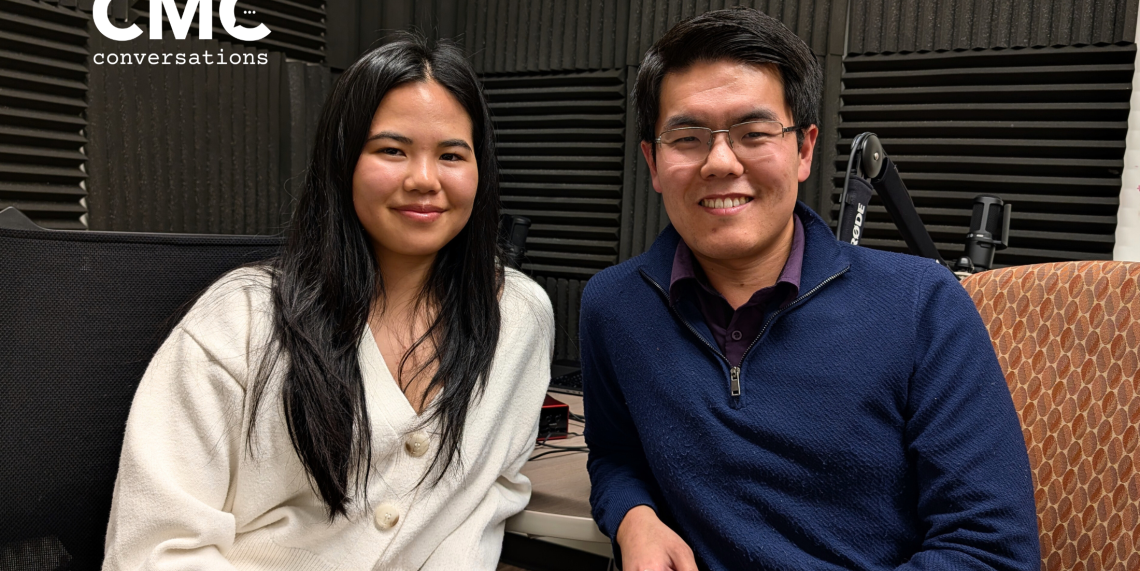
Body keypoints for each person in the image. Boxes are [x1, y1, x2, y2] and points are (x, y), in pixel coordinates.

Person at [581, 8, 1039, 571]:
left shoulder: (923, 303)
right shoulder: (613, 305)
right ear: (653, 161)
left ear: (803, 150)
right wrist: (634, 518)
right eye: (687, 138)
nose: (720, 162)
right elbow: (614, 455)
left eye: (753, 134)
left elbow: (991, 550)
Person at [102, 36, 554, 570]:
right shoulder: (241, 322)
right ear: (342, 163)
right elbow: (151, 553)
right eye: (392, 150)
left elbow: (490, 494)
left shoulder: (519, 316)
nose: (424, 180)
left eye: (452, 155)